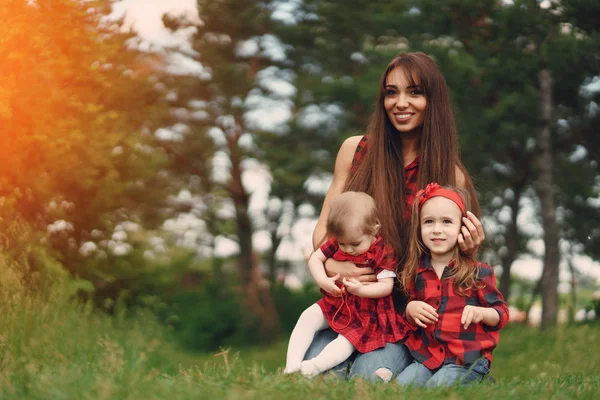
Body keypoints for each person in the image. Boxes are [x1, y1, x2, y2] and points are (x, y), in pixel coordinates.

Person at [305, 52, 486, 382]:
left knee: (366, 380)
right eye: (391, 92)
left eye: (414, 92)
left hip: (400, 315)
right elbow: (322, 232)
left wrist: (468, 250)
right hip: (345, 307)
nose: (401, 102)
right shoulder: (354, 150)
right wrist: (334, 265)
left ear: (433, 100)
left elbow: (449, 268)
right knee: (317, 378)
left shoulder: (450, 175)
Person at [284, 192, 410, 378]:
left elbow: (386, 286)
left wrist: (361, 290)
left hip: (367, 312)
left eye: (355, 244)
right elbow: (315, 259)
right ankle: (291, 367)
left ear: (374, 229)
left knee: (347, 341)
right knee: (308, 317)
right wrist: (323, 281)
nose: (348, 249)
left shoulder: (382, 251)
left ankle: (315, 366)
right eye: (342, 244)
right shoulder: (339, 240)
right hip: (337, 301)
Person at [396, 183, 508, 387]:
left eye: (447, 222)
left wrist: (481, 313)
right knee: (400, 388)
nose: (437, 230)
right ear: (419, 227)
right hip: (427, 359)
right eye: (429, 222)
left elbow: (501, 314)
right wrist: (410, 311)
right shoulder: (416, 272)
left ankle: (479, 381)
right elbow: (409, 317)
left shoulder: (478, 272)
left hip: (465, 360)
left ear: (462, 227)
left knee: (435, 390)